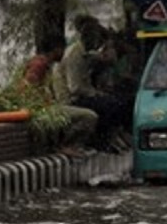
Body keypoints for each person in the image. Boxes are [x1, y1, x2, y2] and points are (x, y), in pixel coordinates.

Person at [54, 16, 132, 152]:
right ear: (87, 37)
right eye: (95, 39)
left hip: (84, 94)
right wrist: (95, 94)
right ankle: (101, 141)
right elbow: (75, 87)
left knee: (122, 102)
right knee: (109, 105)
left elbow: (105, 60)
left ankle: (113, 136)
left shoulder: (85, 52)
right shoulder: (75, 54)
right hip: (72, 99)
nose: (97, 43)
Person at [19, 38, 99, 157]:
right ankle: (68, 145)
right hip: (42, 108)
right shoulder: (39, 65)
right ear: (56, 49)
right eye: (62, 49)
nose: (64, 52)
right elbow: (27, 89)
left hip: (48, 106)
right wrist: (44, 107)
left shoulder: (46, 64)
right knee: (89, 117)